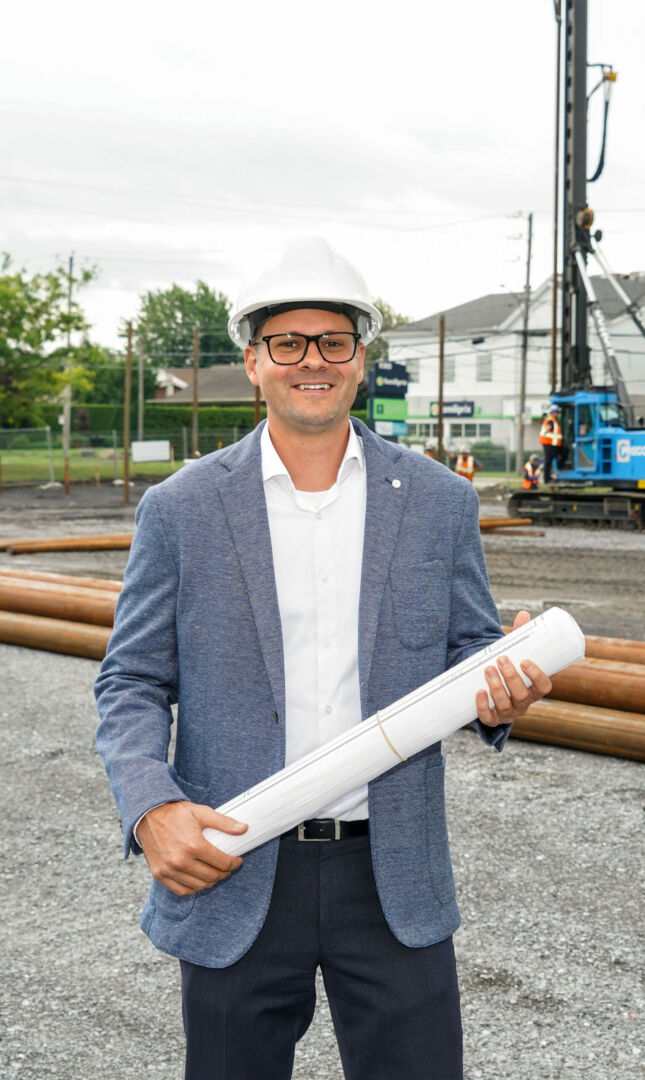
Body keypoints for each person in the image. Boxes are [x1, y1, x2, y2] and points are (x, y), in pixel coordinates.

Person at [94, 237, 552, 1080]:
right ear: (254, 362)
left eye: (333, 342)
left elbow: (470, 647)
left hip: (390, 875)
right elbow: (130, 679)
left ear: (360, 359)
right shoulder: (183, 509)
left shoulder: (439, 503)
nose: (313, 360)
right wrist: (150, 805)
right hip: (238, 864)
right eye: (289, 343)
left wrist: (503, 685)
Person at [539, 404, 563, 483]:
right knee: (548, 461)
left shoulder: (554, 420)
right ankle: (547, 479)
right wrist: (548, 428)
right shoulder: (550, 420)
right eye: (555, 412)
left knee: (555, 458)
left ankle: (552, 475)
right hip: (548, 444)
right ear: (552, 413)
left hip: (553, 444)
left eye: (557, 412)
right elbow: (548, 428)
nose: (557, 414)